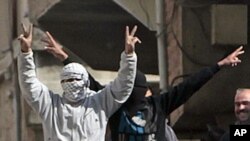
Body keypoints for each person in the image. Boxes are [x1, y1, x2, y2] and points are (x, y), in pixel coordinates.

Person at [43, 26, 245, 140]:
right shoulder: (114, 103)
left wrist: (219, 65)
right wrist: (64, 57)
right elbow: (88, 81)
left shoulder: (157, 104)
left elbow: (191, 85)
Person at [17, 23, 141, 141]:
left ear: (86, 82)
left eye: (76, 79)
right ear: (62, 83)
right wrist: (26, 53)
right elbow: (29, 84)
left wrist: (129, 56)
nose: (72, 83)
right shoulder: (51, 106)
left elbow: (123, 85)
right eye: (68, 80)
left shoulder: (99, 102)